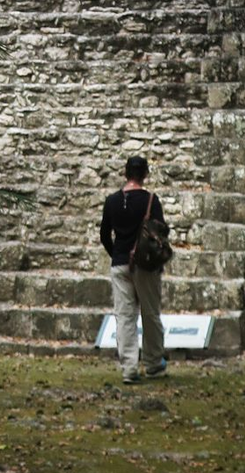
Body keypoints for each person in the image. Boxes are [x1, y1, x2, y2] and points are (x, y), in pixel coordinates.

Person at [100, 154, 167, 383]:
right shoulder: (151, 200)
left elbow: (104, 235)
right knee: (150, 314)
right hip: (145, 264)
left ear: (125, 173)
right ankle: (153, 362)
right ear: (145, 174)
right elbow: (160, 233)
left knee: (125, 317)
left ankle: (129, 367)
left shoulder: (112, 201)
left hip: (120, 263)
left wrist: (117, 254)